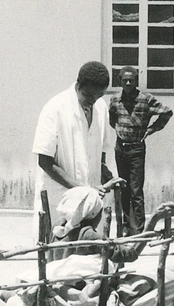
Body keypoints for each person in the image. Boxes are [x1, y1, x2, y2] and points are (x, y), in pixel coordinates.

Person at [32, 61, 117, 234]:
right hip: (61, 198)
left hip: (91, 201)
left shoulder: (101, 108)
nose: (92, 101)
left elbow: (100, 150)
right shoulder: (54, 108)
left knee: (88, 252)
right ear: (78, 85)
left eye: (98, 95)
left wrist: (104, 172)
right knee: (57, 251)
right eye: (88, 95)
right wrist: (81, 189)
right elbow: (45, 161)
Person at [108, 66, 173, 236]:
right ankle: (125, 227)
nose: (128, 83)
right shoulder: (115, 99)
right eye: (125, 80)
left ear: (136, 81)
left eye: (131, 80)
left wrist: (152, 129)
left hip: (136, 149)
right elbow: (112, 119)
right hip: (120, 148)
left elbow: (166, 112)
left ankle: (138, 230)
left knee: (136, 190)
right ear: (119, 81)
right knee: (124, 188)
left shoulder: (145, 99)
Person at [49, 185, 174, 263]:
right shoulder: (88, 235)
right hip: (78, 290)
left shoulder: (59, 228)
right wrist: (153, 220)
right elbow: (130, 255)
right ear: (93, 214)